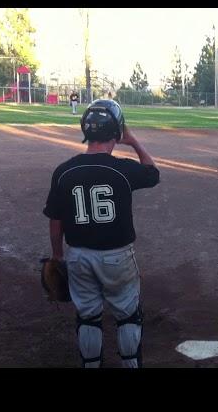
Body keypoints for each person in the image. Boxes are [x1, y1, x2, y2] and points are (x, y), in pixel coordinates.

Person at [43, 99, 160, 368]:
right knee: (128, 315)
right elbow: (153, 173)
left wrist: (58, 254)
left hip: (78, 257)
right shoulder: (122, 169)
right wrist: (132, 141)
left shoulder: (64, 172)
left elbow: (55, 219)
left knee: (88, 316)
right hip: (118, 258)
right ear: (116, 132)